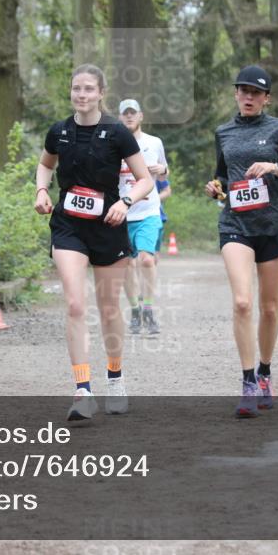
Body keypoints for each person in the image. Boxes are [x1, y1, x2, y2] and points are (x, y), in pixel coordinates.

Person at [35, 65, 154, 420]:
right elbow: (45, 165)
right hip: (68, 226)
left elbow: (144, 179)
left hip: (109, 225)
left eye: (88, 89)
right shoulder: (59, 131)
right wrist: (41, 189)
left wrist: (126, 202)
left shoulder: (117, 133)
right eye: (76, 89)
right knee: (74, 304)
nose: (81, 94)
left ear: (101, 93)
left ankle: (115, 379)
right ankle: (82, 390)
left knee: (108, 308)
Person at [204, 64, 278, 419]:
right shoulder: (224, 132)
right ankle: (248, 381)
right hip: (235, 223)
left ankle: (265, 372)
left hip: (273, 226)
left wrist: (275, 169)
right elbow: (222, 176)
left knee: (268, 308)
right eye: (243, 91)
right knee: (242, 302)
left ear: (266, 98)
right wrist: (215, 187)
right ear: (236, 94)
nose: (248, 97)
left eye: (256, 92)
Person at [116, 99, 169, 336]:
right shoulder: (113, 145)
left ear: (140, 116)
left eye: (132, 113)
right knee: (127, 264)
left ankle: (148, 308)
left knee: (147, 260)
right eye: (125, 114)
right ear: (120, 118)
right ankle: (135, 310)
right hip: (122, 214)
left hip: (148, 212)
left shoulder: (153, 142)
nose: (129, 117)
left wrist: (162, 171)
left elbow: (164, 173)